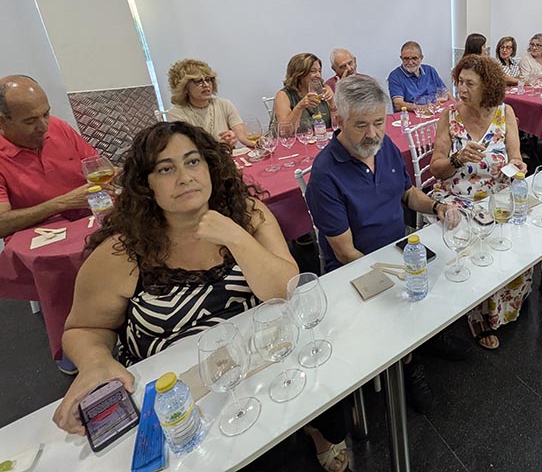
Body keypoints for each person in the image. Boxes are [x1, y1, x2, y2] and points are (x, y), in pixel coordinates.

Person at [49, 122, 349, 471]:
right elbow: (83, 327)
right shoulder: (122, 252)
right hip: (180, 402)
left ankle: (314, 434)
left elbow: (284, 291)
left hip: (260, 375)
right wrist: (95, 361)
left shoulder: (247, 215)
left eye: (193, 162)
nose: (184, 177)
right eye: (166, 169)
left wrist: (236, 237)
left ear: (209, 166)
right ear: (146, 184)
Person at [305, 76, 453, 412]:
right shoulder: (325, 175)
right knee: (404, 298)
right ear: (340, 120)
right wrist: (395, 281)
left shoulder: (384, 148)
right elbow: (345, 253)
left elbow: (407, 193)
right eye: (361, 125)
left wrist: (437, 207)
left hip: (398, 248)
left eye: (378, 122)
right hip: (356, 269)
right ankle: (408, 362)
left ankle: (427, 337)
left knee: (449, 275)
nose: (372, 134)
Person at [430, 55, 528, 350]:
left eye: (469, 83)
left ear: (488, 86)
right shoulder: (450, 115)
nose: (461, 88)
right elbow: (436, 168)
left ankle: (499, 306)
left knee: (515, 244)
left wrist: (517, 167)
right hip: (456, 196)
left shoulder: (505, 112)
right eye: (459, 82)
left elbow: (515, 157)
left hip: (496, 195)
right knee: (470, 247)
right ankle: (475, 314)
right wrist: (457, 159)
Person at [0, 75, 99, 239]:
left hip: (89, 224)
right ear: (2, 122)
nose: (44, 127)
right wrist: (63, 203)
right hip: (40, 241)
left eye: (46, 114)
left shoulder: (59, 127)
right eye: (30, 121)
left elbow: (98, 169)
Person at [166, 59, 257, 149]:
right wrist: (220, 145)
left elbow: (243, 137)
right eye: (198, 81)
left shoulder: (224, 104)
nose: (206, 85)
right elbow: (189, 149)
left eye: (208, 79)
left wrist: (259, 143)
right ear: (184, 87)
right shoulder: (176, 113)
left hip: (228, 156)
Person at [275, 53, 335, 129]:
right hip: (299, 137)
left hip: (323, 136)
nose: (318, 75)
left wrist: (332, 104)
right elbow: (284, 131)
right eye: (313, 71)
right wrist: (299, 107)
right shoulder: (283, 95)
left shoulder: (324, 90)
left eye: (319, 71)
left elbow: (338, 126)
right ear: (299, 74)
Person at [388, 41, 448, 112]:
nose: (410, 62)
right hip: (410, 115)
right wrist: (421, 108)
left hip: (435, 111)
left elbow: (446, 93)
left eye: (414, 58)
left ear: (421, 58)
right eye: (406, 59)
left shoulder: (430, 70)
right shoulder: (395, 76)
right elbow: (398, 104)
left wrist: (456, 106)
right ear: (401, 58)